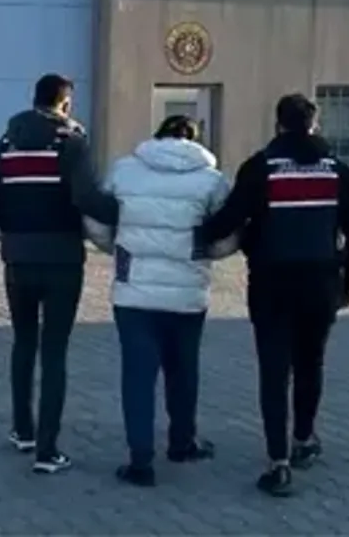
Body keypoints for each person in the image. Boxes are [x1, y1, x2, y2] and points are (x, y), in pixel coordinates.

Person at [195, 93, 349, 497]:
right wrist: (347, 279)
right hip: (320, 283)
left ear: (278, 125)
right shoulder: (337, 171)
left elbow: (228, 220)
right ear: (314, 125)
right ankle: (304, 439)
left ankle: (278, 462)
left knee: (274, 370)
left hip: (271, 284)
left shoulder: (261, 168)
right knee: (311, 363)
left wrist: (194, 233)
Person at [0, 73, 119, 475]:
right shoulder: (70, 143)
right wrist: (126, 211)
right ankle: (48, 450)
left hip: (17, 259)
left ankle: (23, 430)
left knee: (23, 343)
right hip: (62, 260)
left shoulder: (5, 145)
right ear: (65, 104)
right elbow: (87, 197)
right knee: (54, 351)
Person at [83, 115, 238, 488]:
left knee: (137, 376)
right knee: (183, 370)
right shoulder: (212, 180)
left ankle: (140, 461)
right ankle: (182, 443)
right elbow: (229, 232)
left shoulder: (125, 171)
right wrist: (205, 255)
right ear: (194, 140)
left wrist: (117, 250)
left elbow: (97, 221)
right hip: (187, 292)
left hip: (134, 292)